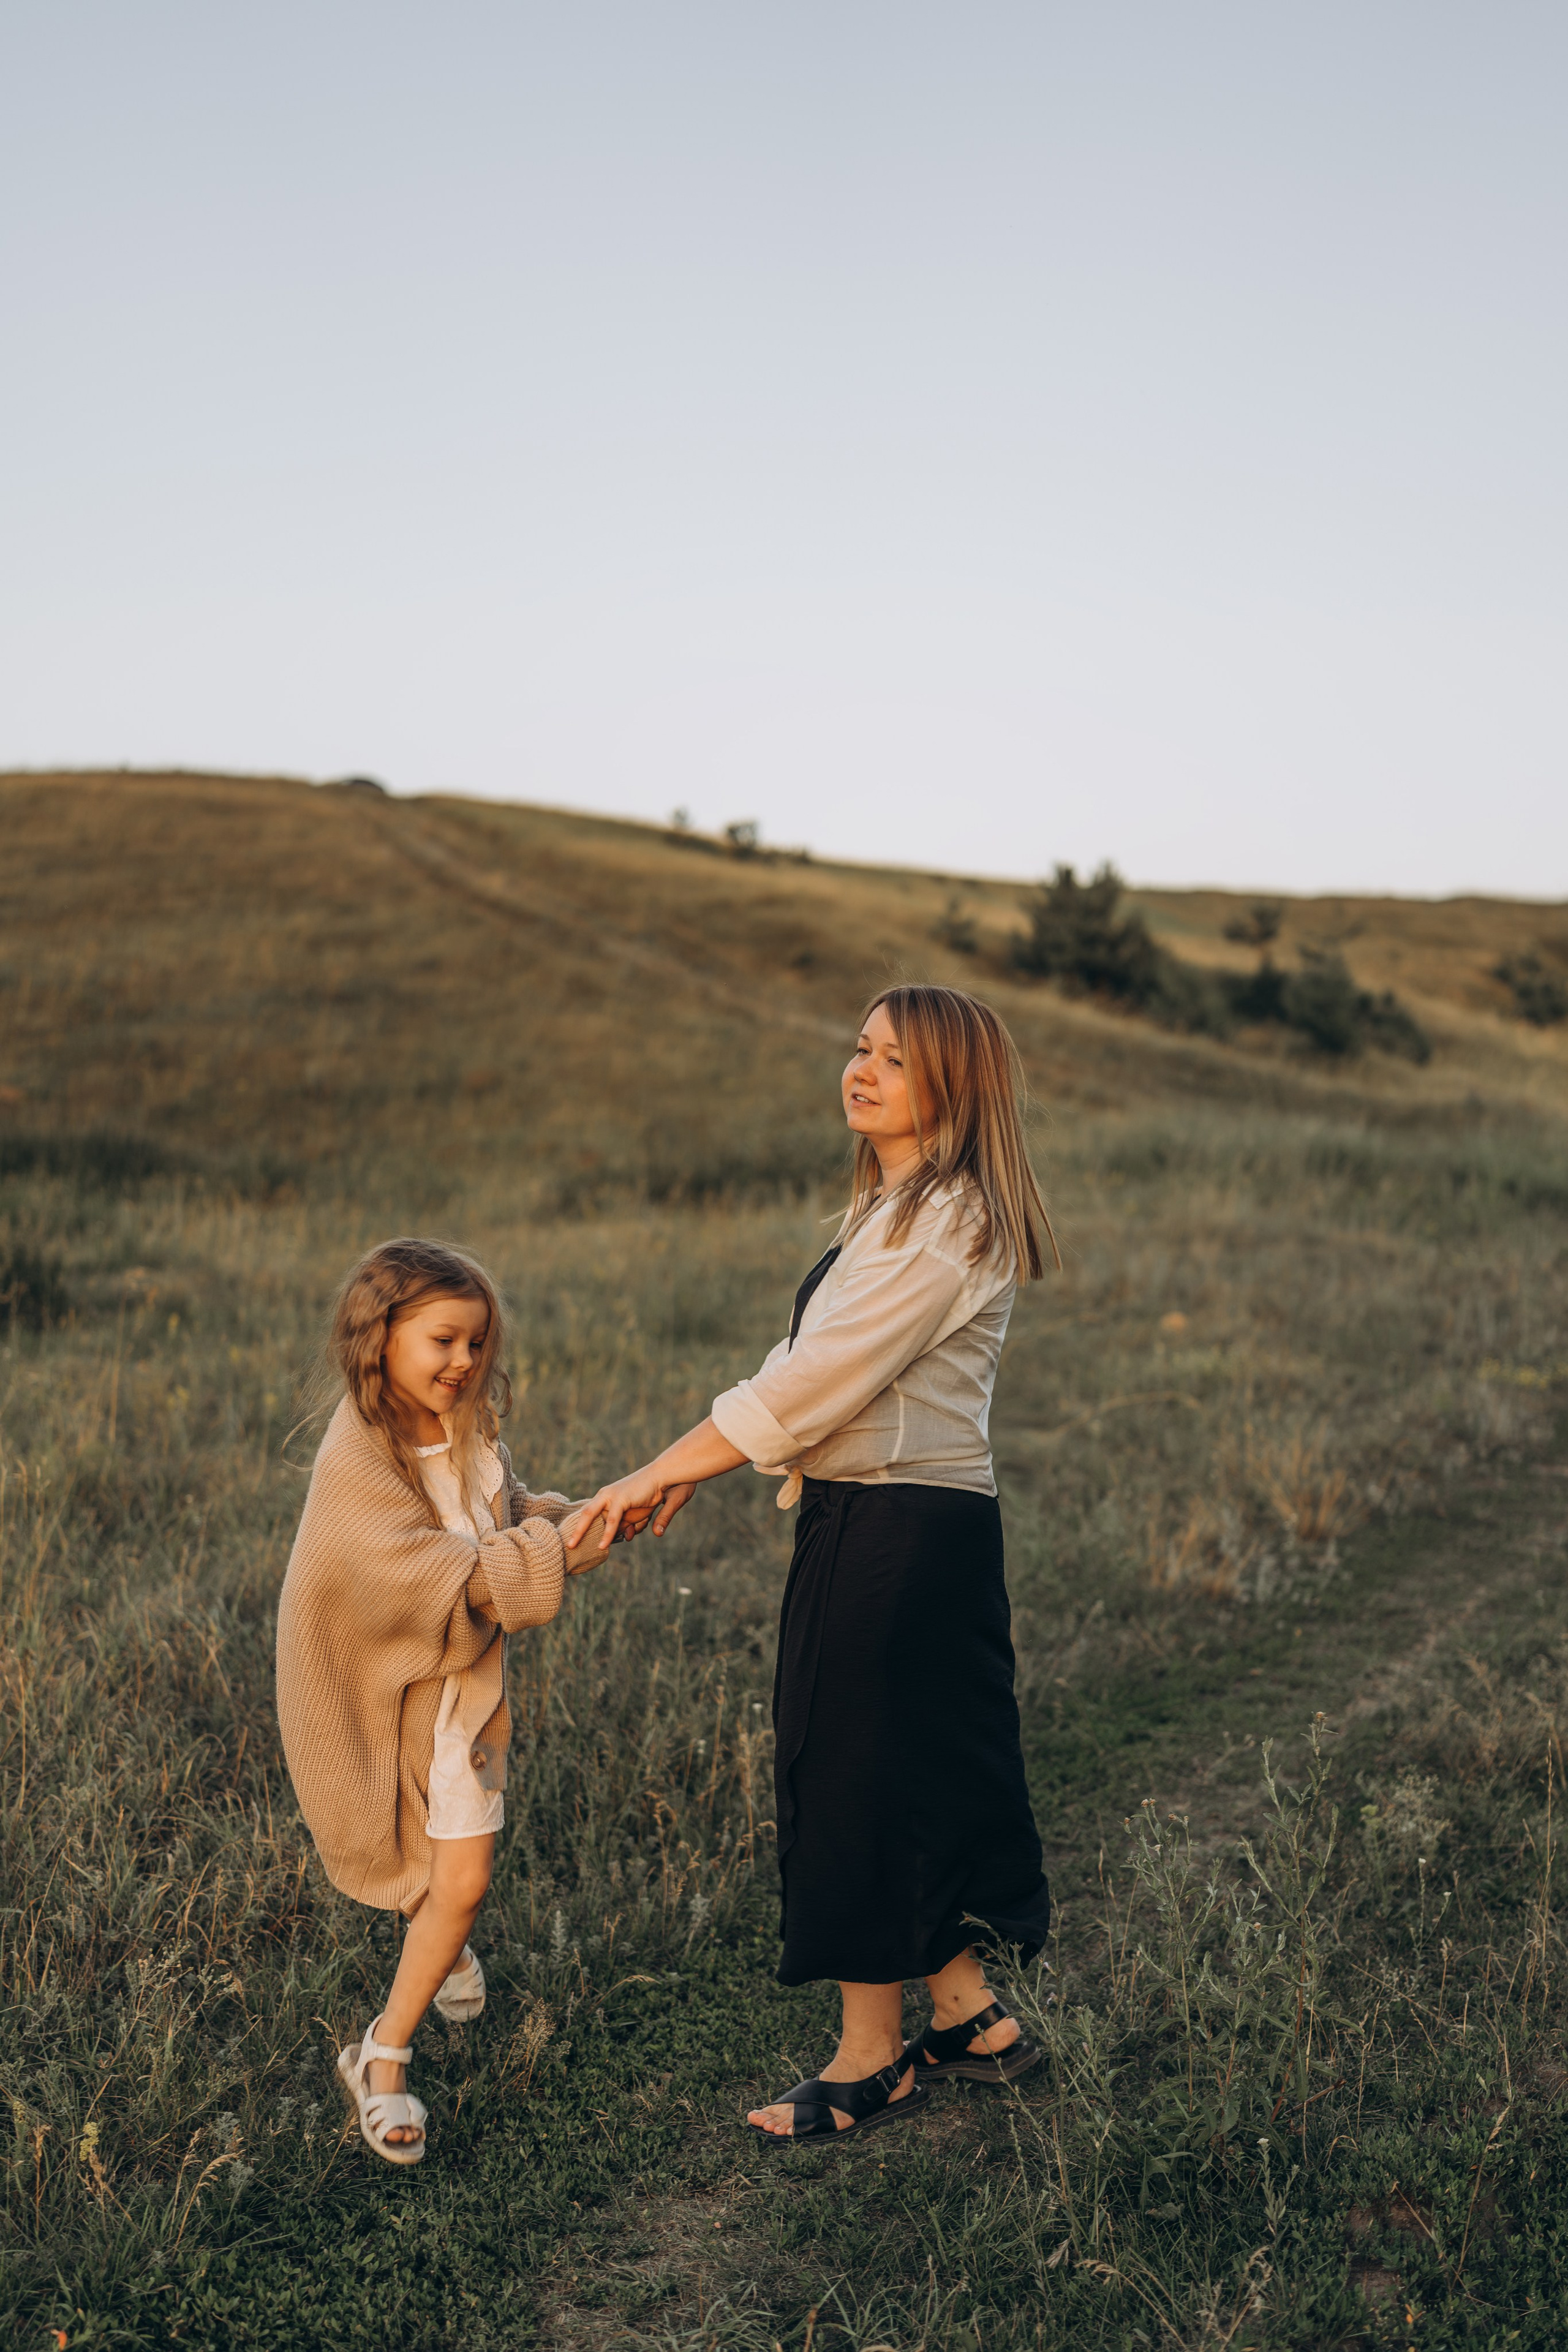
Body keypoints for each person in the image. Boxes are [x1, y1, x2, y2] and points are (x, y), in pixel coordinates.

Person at [566, 984, 1058, 2146]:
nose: (861, 1068)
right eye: (860, 1047)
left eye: (893, 1058)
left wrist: (654, 1473)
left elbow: (807, 1385)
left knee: (848, 1771)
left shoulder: (949, 1221)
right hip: (903, 1522)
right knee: (912, 1764)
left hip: (896, 1531)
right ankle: (966, 2015)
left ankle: (869, 2060)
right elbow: (805, 1365)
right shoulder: (897, 1211)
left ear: (954, 1086)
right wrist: (690, 1466)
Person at [276, 1237, 601, 2165]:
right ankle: (407, 2010)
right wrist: (555, 1556)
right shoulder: (362, 1455)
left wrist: (563, 1521)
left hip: (461, 1704)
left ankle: (399, 2016)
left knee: (457, 1883)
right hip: (383, 1695)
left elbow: (489, 1531)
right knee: (436, 1874)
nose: (464, 1362)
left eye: (477, 1344)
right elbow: (418, 1574)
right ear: (379, 1340)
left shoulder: (466, 1429)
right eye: (444, 1341)